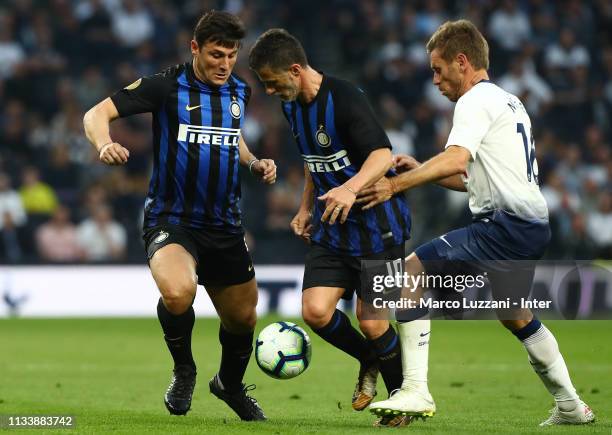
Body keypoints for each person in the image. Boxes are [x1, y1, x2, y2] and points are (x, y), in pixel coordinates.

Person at [360, 20, 595, 426]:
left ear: (462, 62)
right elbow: (468, 177)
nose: (434, 80)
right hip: (530, 224)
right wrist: (422, 170)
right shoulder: (509, 101)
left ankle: (415, 388)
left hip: (504, 226)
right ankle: (572, 405)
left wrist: (394, 186)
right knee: (515, 314)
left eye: (438, 69)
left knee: (411, 273)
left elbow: (454, 159)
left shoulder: (472, 101)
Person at [83, 10, 276, 421]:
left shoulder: (239, 91)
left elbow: (230, 136)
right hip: (172, 219)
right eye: (216, 55)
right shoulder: (166, 87)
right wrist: (103, 145)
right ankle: (185, 369)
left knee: (243, 318)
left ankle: (230, 385)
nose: (224, 64)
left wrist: (253, 161)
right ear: (195, 48)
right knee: (178, 292)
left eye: (231, 55)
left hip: (224, 224)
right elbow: (95, 114)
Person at [249, 29, 413, 426]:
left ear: (294, 69)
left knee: (372, 321)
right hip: (334, 227)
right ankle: (369, 359)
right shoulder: (293, 106)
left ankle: (401, 402)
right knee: (316, 312)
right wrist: (306, 207)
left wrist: (349, 188)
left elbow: (381, 154)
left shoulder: (344, 98)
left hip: (378, 227)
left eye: (272, 83)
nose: (270, 92)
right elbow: (313, 156)